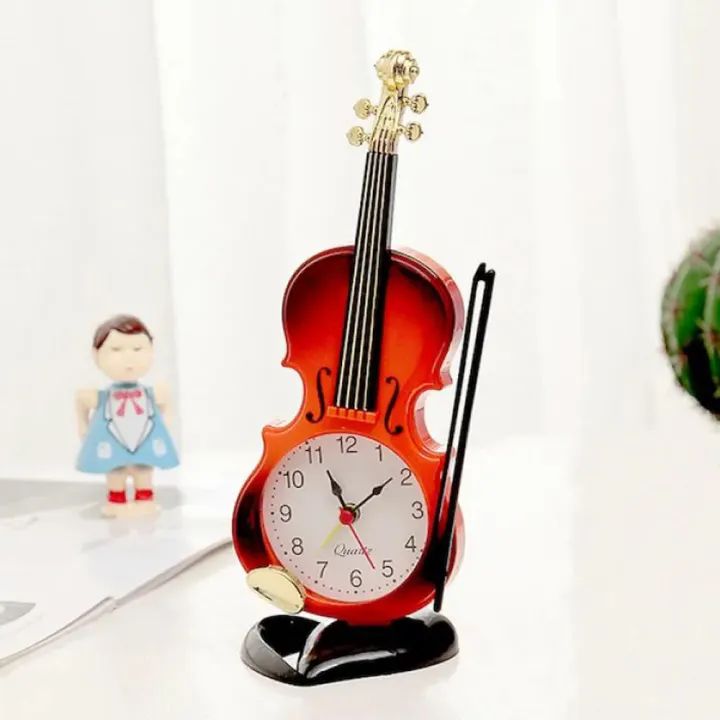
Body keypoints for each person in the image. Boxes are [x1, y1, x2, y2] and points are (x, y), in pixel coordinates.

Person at [76, 314, 179, 517]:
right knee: (115, 473)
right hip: (113, 445)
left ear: (151, 350)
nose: (128, 357)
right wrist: (83, 426)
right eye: (116, 349)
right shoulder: (100, 396)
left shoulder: (154, 393)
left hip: (144, 442)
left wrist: (166, 422)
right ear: (96, 354)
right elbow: (81, 402)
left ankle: (145, 499)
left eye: (138, 349)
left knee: (144, 472)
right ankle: (117, 501)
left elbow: (166, 408)